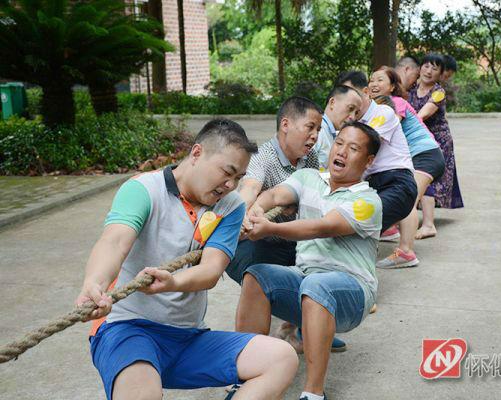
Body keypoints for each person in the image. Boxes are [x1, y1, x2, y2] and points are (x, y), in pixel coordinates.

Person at [77, 119, 299, 400]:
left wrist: (172, 282)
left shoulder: (230, 206)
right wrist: (94, 282)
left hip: (188, 338)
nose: (231, 185)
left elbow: (210, 270)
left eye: (238, 178)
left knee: (282, 357)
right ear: (196, 153)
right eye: (227, 172)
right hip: (127, 330)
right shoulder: (143, 190)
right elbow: (114, 241)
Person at [236, 121, 382, 400]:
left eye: (353, 149)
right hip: (305, 283)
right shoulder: (308, 177)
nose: (342, 152)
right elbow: (274, 195)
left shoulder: (368, 201)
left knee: (317, 286)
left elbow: (322, 227)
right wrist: (256, 210)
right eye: (339, 143)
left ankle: (314, 393)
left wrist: (270, 229)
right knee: (256, 276)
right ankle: (247, 378)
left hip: (353, 292)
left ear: (369, 160)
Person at [224, 96, 347, 354]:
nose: (314, 136)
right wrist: (244, 212)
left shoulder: (310, 159)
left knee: (321, 263)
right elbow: (250, 188)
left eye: (318, 130)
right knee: (258, 278)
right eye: (310, 127)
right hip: (256, 243)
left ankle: (302, 329)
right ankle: (246, 356)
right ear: (286, 124)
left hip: (289, 239)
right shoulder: (263, 156)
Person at [369, 66, 445, 268]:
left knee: (407, 199)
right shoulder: (377, 108)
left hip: (425, 154)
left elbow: (386, 127)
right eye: (371, 80)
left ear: (392, 86)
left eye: (380, 80)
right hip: (417, 157)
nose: (374, 84)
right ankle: (390, 230)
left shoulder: (396, 103)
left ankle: (406, 252)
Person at [337, 71, 417, 242]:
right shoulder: (352, 123)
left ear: (366, 92)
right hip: (370, 186)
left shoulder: (383, 112)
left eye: (354, 93)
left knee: (355, 226)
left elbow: (362, 144)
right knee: (346, 232)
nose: (349, 99)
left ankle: (405, 251)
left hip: (396, 182)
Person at [408, 53, 464, 240]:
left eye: (434, 68)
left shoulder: (438, 92)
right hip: (417, 140)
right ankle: (412, 217)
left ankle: (428, 224)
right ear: (420, 68)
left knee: (427, 180)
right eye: (426, 66)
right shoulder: (411, 89)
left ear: (440, 74)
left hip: (437, 142)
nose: (429, 71)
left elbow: (422, 114)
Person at [313, 85, 363, 170]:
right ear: (332, 103)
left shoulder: (332, 134)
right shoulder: (317, 130)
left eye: (356, 113)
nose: (353, 117)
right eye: (350, 108)